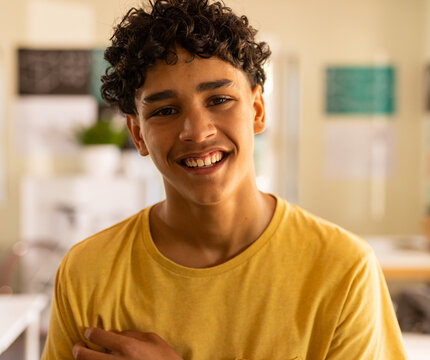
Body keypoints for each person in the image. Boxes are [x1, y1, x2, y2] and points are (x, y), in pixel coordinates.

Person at [41, 0, 407, 359]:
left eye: (218, 100)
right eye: (166, 110)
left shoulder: (342, 269)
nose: (197, 132)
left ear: (257, 110)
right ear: (137, 135)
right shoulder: (87, 271)